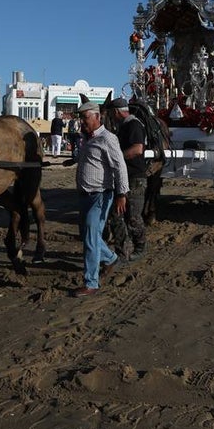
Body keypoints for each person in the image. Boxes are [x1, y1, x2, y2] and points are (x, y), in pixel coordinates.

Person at [72, 101, 128, 297]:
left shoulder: (108, 138)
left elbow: (120, 167)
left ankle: (91, 282)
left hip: (101, 195)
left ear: (97, 117)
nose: (82, 122)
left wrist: (122, 194)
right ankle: (111, 258)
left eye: (85, 118)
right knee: (91, 236)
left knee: (90, 237)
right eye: (81, 118)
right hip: (85, 195)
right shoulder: (88, 138)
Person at [104, 97, 147, 262]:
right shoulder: (122, 127)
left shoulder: (133, 125)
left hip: (135, 178)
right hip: (123, 178)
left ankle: (140, 246)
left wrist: (117, 158)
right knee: (116, 215)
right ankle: (121, 251)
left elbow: (137, 149)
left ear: (115, 112)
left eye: (110, 114)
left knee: (133, 217)